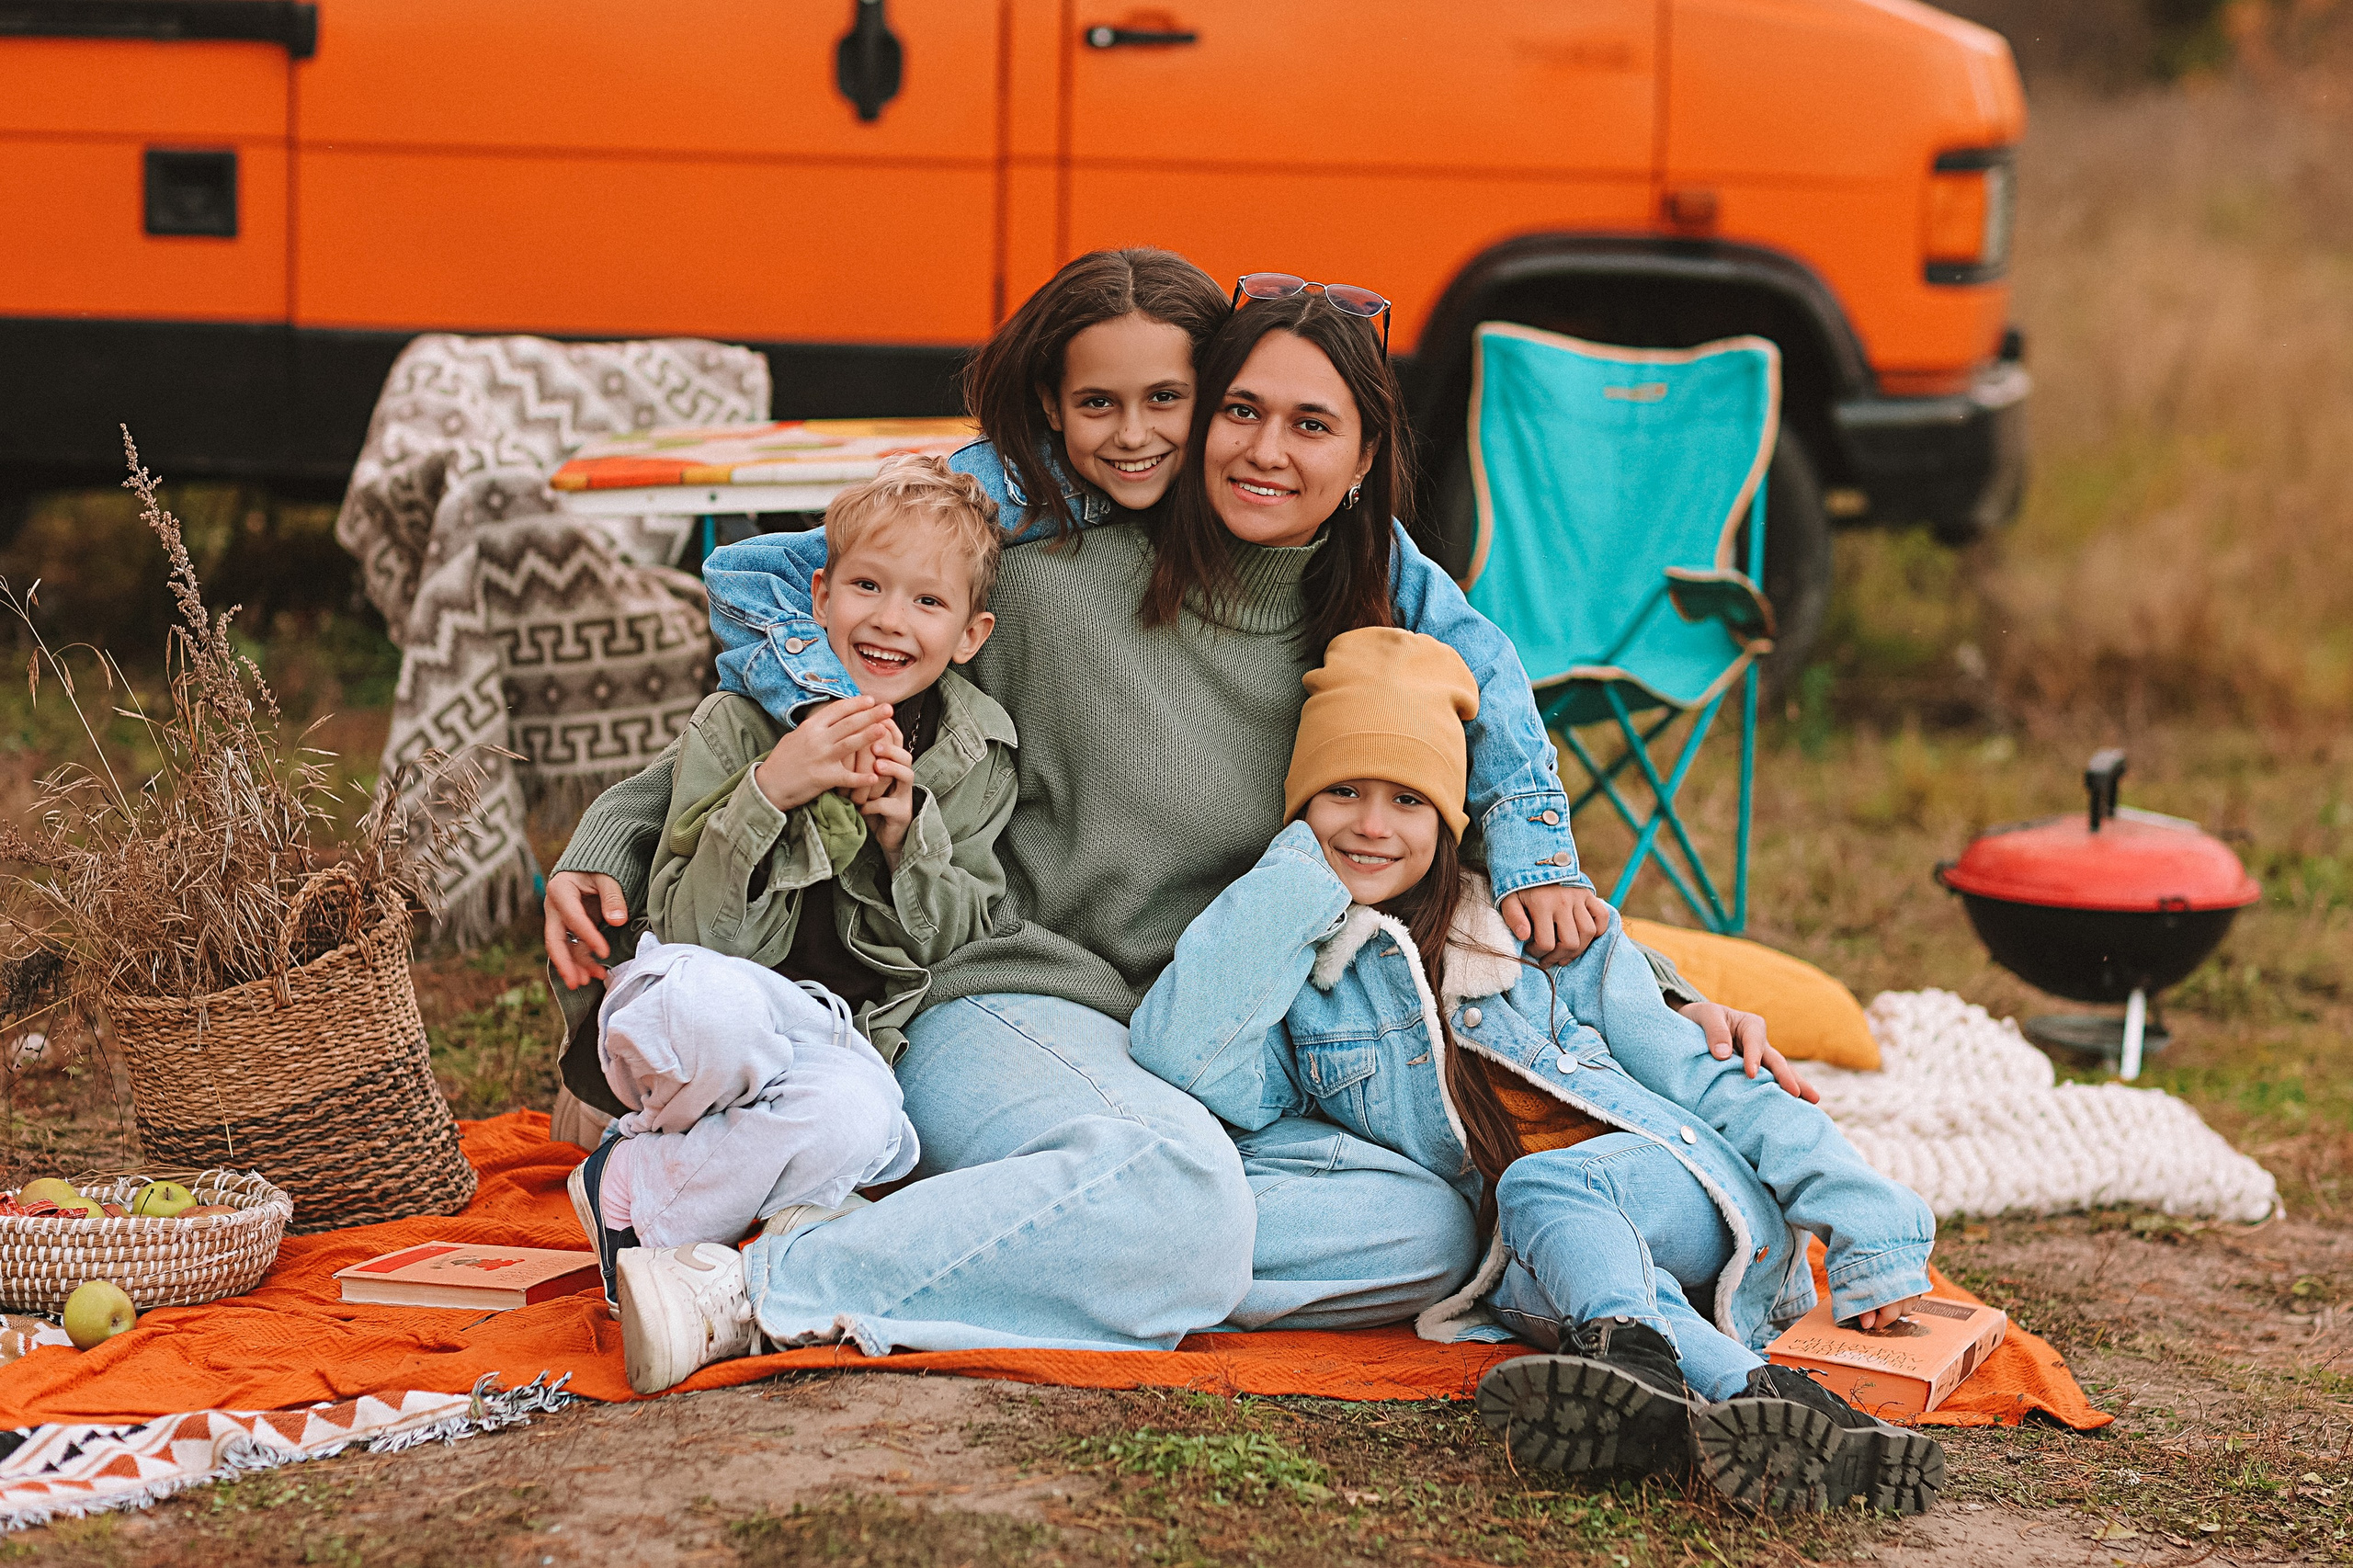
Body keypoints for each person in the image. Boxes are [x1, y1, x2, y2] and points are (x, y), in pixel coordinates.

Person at [551, 255, 1813, 1379]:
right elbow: (819, 692)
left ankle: (1009, 1223)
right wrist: (605, 846)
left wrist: (1657, 990)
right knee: (1182, 1195)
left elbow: (1468, 843)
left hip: (1221, 1058)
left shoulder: (1373, 633)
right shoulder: (1037, 567)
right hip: (1015, 1002)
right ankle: (754, 1286)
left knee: (1431, 1227)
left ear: (1365, 458)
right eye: (1242, 412)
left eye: (1309, 424)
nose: (1264, 449)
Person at [1129, 626, 1944, 1515]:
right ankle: (1787, 1413)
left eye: (1408, 799)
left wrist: (1875, 1235)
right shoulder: (1314, 983)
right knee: (1557, 1282)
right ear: (1298, 811)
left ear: (1450, 822)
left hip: (1675, 1190)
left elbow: (1721, 1084)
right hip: (1535, 1253)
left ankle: (1629, 1368)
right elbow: (1188, 1057)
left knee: (1544, 1187)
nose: (1370, 823)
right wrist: (1290, 882)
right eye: (1340, 793)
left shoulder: (1543, 936)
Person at [567, 455, 1010, 1349]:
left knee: (867, 1117)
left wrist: (904, 836)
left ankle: (634, 1187)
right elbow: (689, 934)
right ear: (818, 594)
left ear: (970, 632)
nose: (889, 620)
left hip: (834, 1035)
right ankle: (715, 1186)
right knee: (711, 1006)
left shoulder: (973, 752)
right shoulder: (737, 722)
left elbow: (958, 933)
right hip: (707, 1001)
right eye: (867, 586)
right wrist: (769, 789)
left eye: (927, 602)